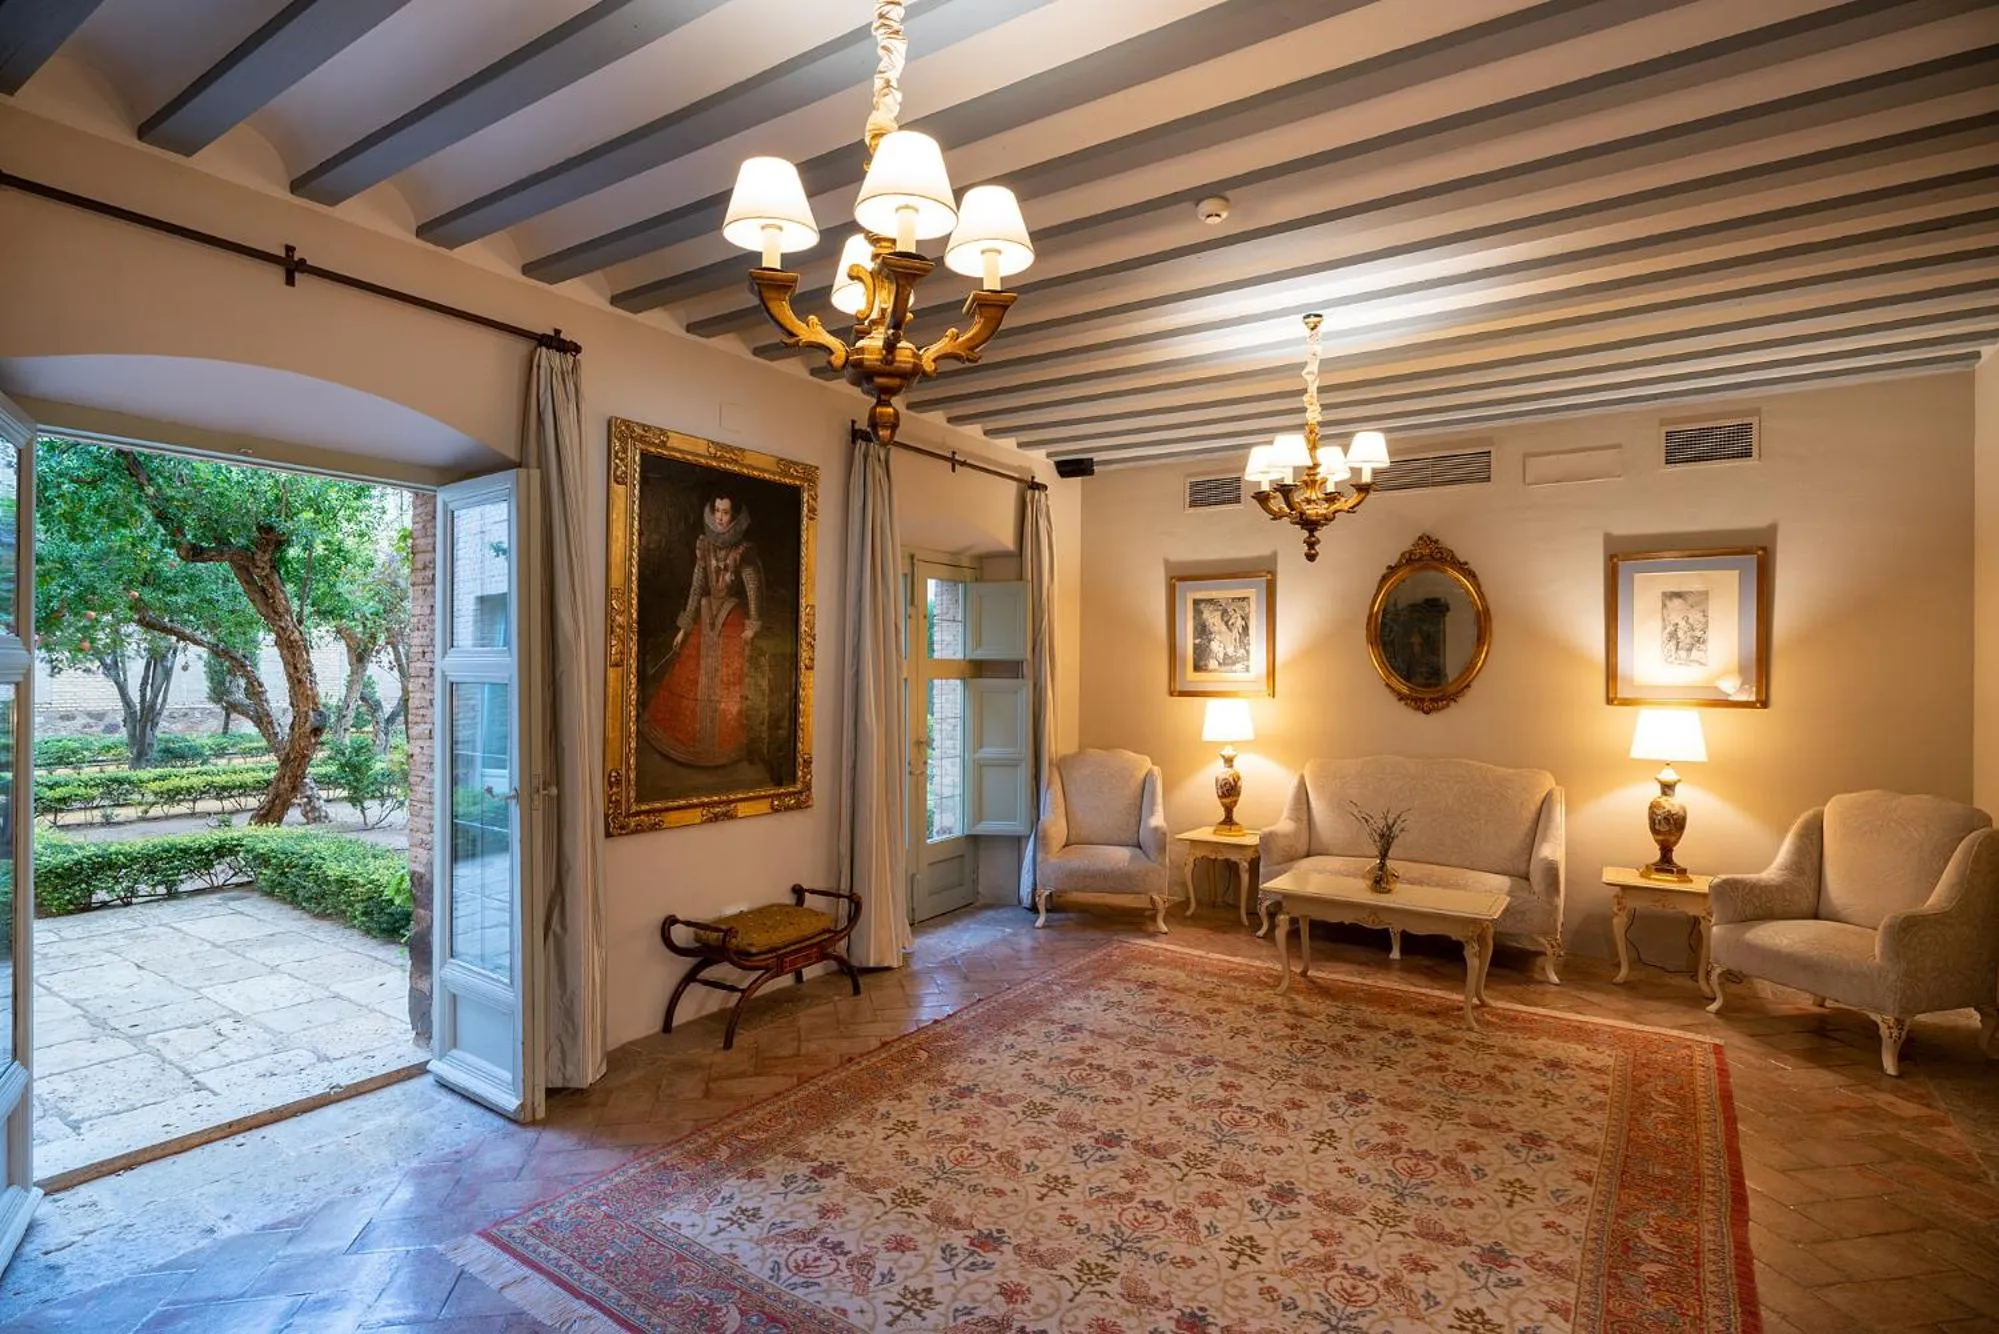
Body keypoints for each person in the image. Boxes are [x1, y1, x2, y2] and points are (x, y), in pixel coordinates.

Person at [642, 494, 763, 769]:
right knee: (691, 676)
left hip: (731, 619)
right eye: (717, 510)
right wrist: (683, 629)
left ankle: (723, 749)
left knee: (728, 683)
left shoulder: (743, 549)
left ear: (734, 516)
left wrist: (751, 626)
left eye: (725, 512)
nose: (720, 516)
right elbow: (697, 587)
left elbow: (752, 586)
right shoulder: (704, 545)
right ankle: (693, 747)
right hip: (706, 616)